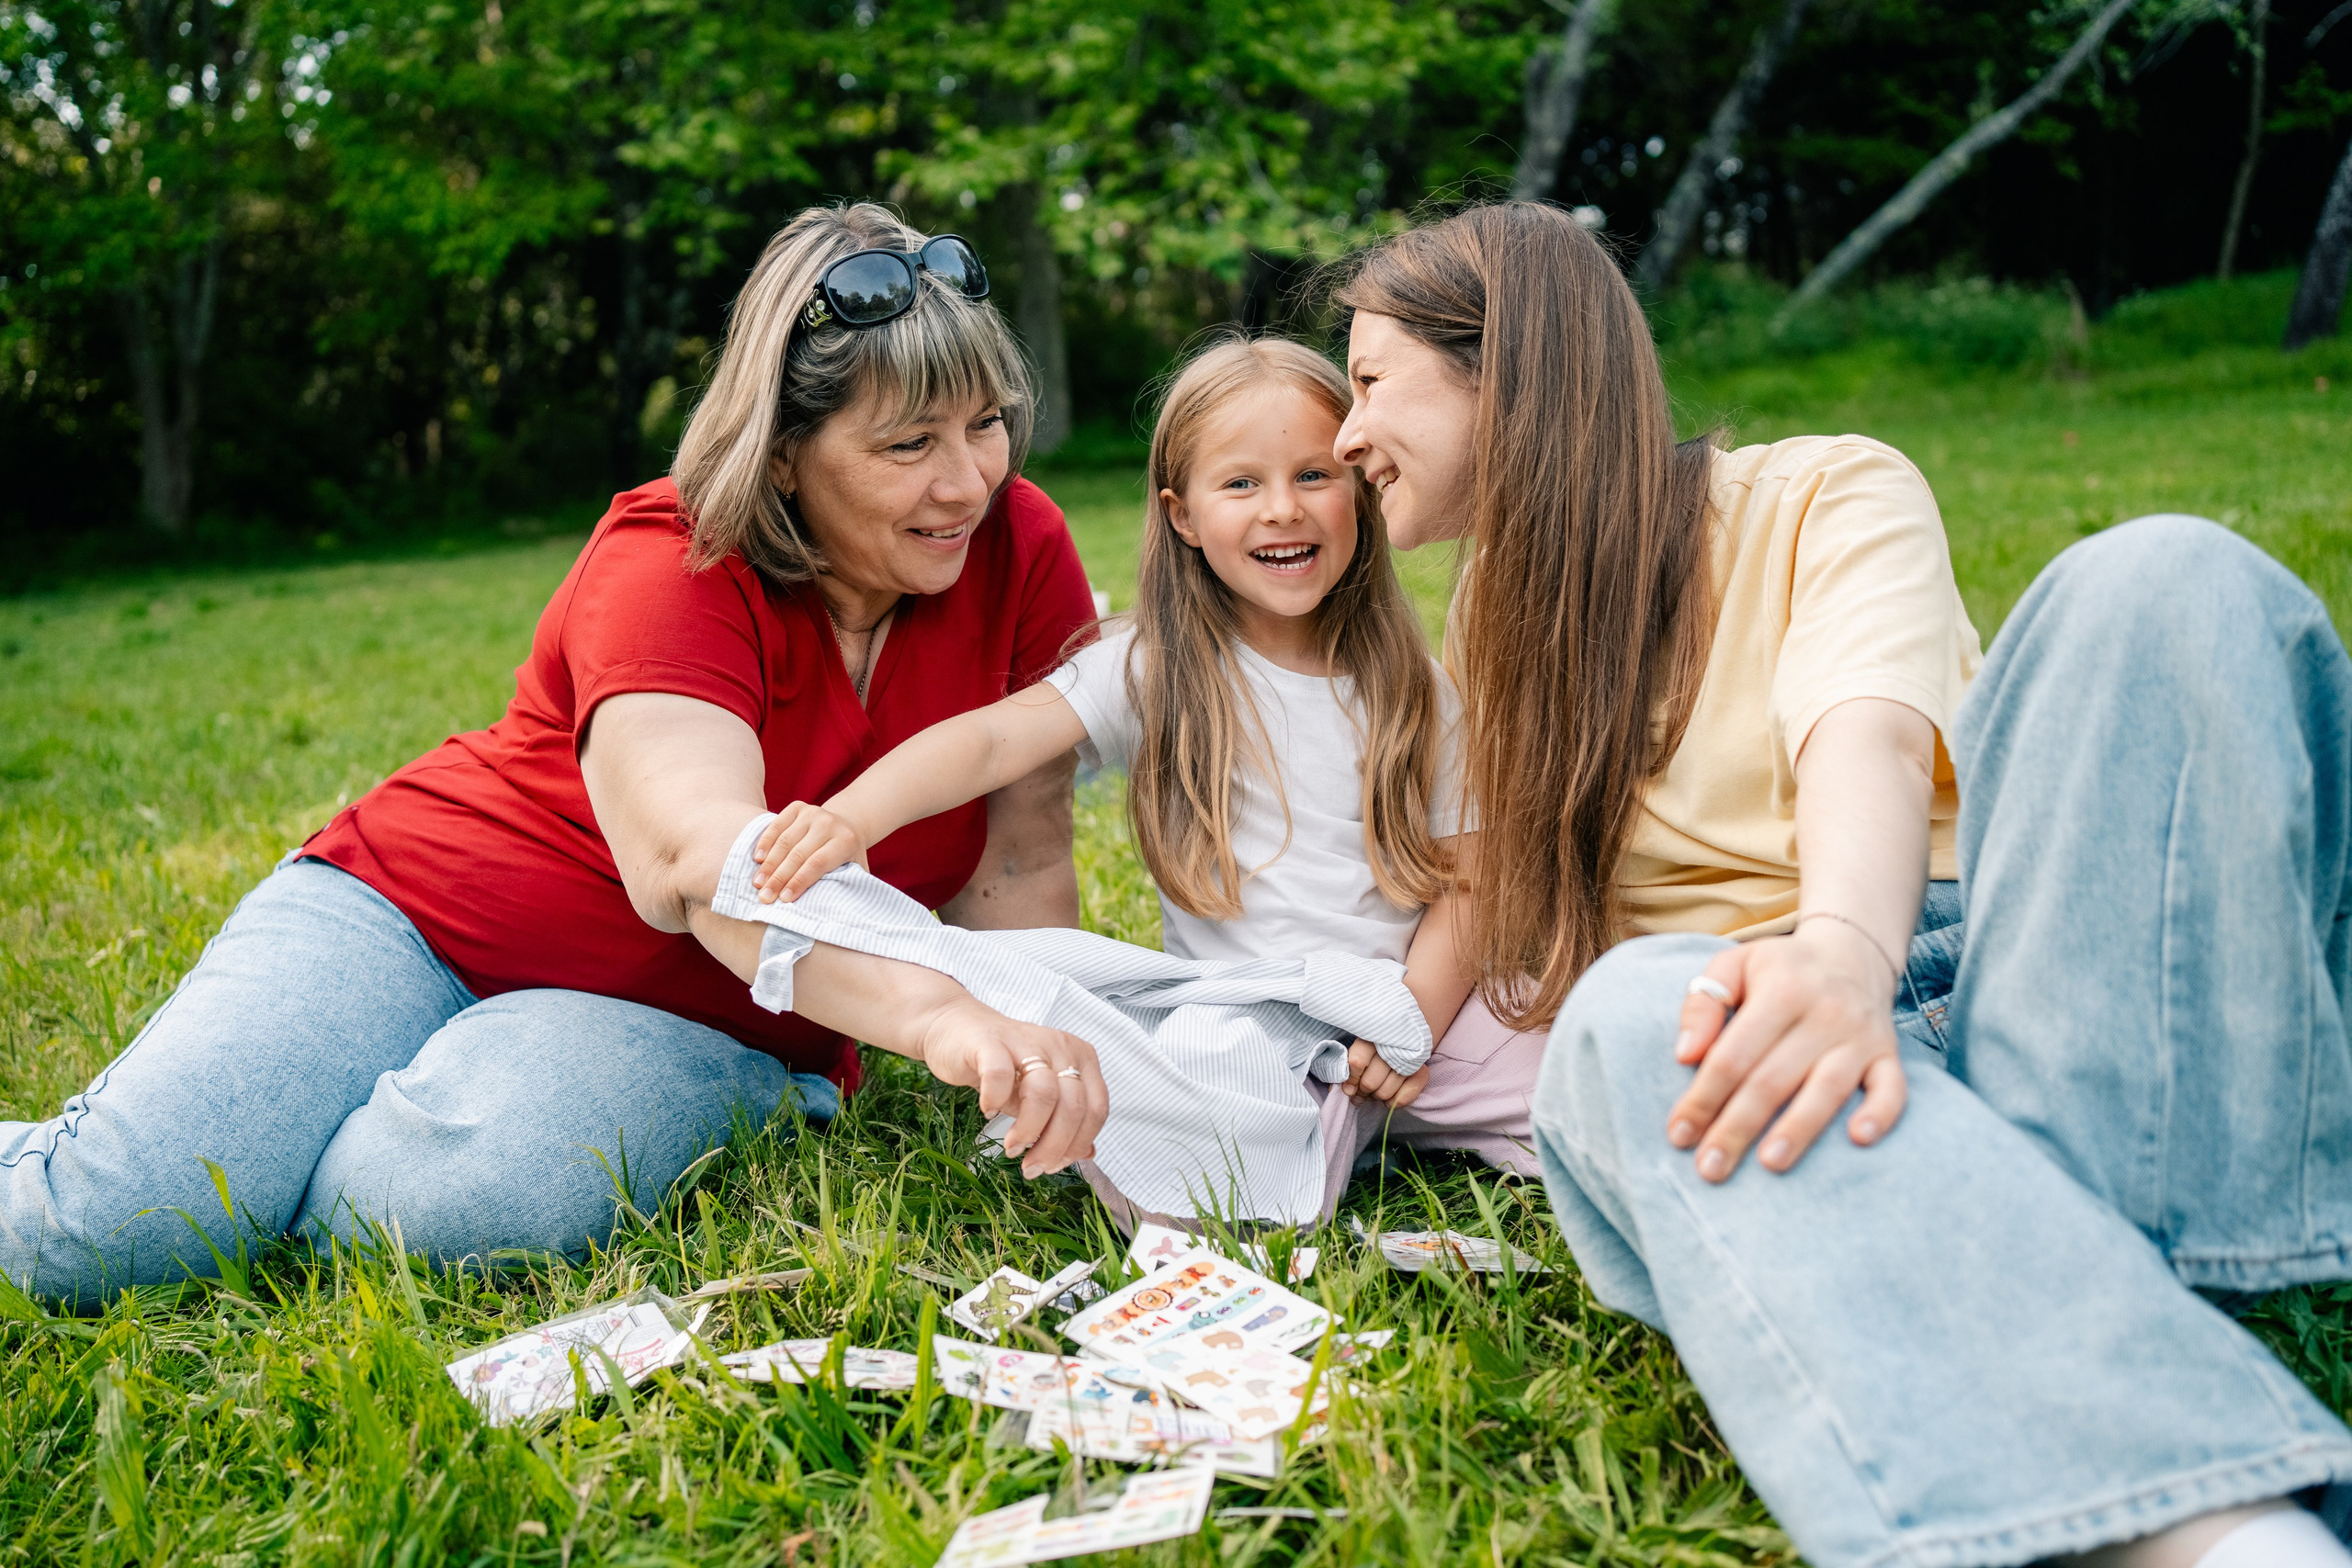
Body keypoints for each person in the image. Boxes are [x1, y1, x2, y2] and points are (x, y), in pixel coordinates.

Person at [1333, 200, 2352, 1568]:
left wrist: (1844, 958)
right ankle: (2231, 1517)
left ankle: (2088, 1392)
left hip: (2014, 972)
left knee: (2159, 574)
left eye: (1368, 381)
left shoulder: (1824, 488)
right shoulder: (1499, 628)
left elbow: (1863, 735)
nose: (1345, 436)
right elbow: (1524, 920)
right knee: (1632, 1014)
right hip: (1808, 1077)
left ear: (1506, 372)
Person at [0, 204, 1114, 1303]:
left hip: (693, 1023)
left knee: (442, 1215)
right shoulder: (674, 555)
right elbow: (695, 857)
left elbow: (1014, 860)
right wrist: (936, 1016)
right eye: (908, 444)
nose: (967, 480)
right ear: (782, 456)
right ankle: (182, 1163)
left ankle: (270, 1161)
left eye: (984, 423)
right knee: (106, 1232)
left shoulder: (1019, 546)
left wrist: (1045, 1048)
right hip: (413, 914)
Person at [750, 334, 1531, 1219]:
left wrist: (1409, 1022)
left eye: (1315, 476)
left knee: (1563, 1056)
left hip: (1405, 1018)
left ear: (1361, 485)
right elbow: (991, 744)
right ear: (1184, 514)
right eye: (1241, 483)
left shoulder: (1416, 684)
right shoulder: (1158, 665)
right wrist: (851, 819)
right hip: (1245, 1020)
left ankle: (1375, 1125)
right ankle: (1236, 1157)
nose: (1283, 509)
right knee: (1185, 1128)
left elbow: (1474, 875)